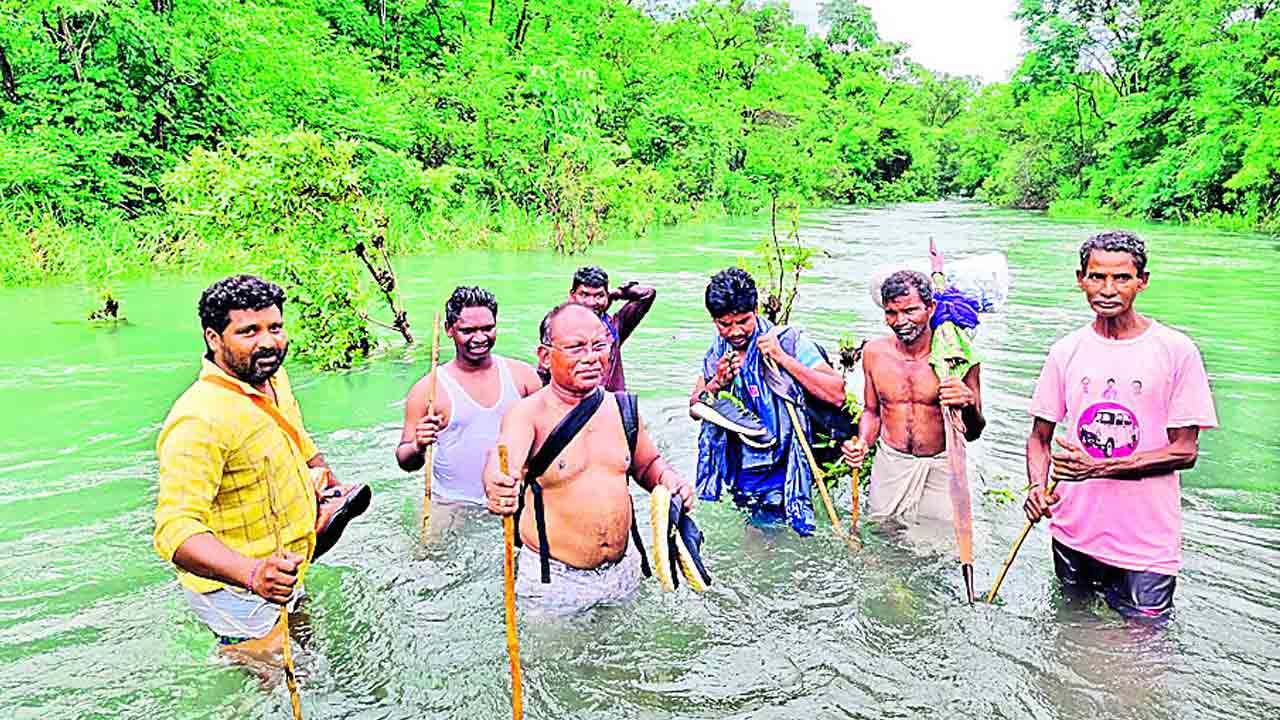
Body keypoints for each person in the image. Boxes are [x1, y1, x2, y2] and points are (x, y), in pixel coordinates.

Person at [1022, 231, 1216, 621]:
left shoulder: (1176, 351)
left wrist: (1100, 468)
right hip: (1072, 532)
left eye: (1122, 278)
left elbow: (1185, 451)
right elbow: (1039, 439)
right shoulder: (1066, 351)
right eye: (1097, 277)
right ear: (1081, 279)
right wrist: (1035, 488)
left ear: (1142, 281)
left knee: (1143, 657)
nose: (1107, 289)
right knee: (1071, 634)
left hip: (1146, 545)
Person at [154, 275, 340, 655]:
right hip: (236, 591)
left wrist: (328, 485)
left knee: (307, 651)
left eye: (275, 327)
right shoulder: (199, 418)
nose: (269, 341)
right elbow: (175, 530)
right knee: (276, 680)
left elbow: (298, 439)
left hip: (287, 567)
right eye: (248, 331)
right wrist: (254, 575)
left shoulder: (272, 377)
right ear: (213, 337)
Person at [483, 303, 695, 617]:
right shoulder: (527, 415)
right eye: (576, 348)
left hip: (624, 570)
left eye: (599, 345)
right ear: (545, 356)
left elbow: (648, 465)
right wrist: (497, 486)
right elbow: (502, 462)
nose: (591, 357)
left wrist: (670, 482)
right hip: (555, 580)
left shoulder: (624, 409)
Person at [691, 268, 846, 535]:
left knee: (762, 539)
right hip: (743, 468)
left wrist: (782, 359)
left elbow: (836, 392)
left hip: (784, 465)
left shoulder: (787, 341)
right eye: (725, 324)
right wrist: (717, 383)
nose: (735, 331)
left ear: (756, 310)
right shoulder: (719, 349)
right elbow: (695, 407)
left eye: (743, 321)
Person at [841, 270, 986, 527]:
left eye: (910, 311)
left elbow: (974, 431)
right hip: (891, 465)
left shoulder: (956, 358)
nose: (900, 321)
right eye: (891, 313)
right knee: (882, 541)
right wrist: (862, 443)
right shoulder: (874, 354)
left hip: (941, 466)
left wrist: (968, 403)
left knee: (940, 549)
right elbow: (873, 411)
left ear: (930, 308)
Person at [395, 287, 541, 515]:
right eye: (468, 330)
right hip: (451, 504)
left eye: (488, 328)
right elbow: (405, 462)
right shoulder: (428, 389)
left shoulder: (523, 377)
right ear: (449, 329)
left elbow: (547, 441)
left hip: (510, 500)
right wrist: (418, 445)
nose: (480, 338)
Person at [566, 266, 656, 392]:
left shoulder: (616, 326)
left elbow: (647, 294)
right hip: (575, 405)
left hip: (613, 405)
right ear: (572, 295)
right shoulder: (559, 328)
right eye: (584, 294)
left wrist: (617, 293)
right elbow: (545, 373)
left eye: (599, 295)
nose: (591, 302)